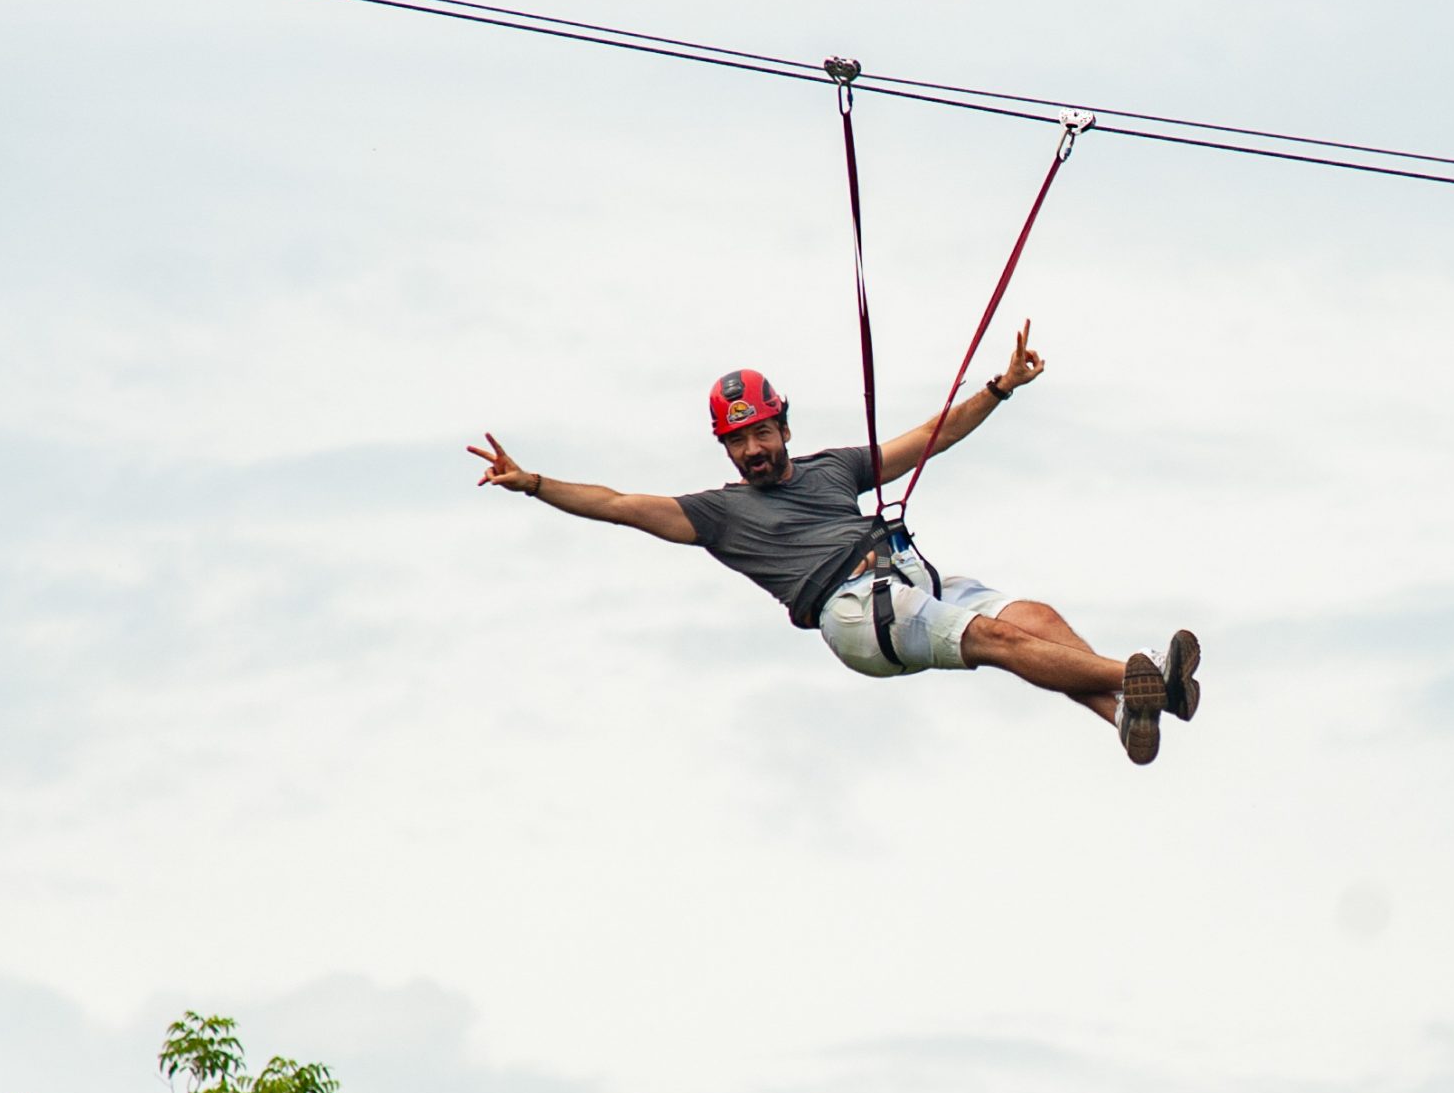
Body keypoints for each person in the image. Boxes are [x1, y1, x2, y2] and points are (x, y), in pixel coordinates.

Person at [467, 321, 1199, 765]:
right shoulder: (717, 516)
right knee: (996, 641)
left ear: (785, 427)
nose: (752, 449)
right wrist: (535, 483)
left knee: (1029, 618)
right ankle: (1144, 678)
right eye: (737, 440)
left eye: (761, 431)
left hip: (907, 579)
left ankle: (1124, 713)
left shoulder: (832, 469)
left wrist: (998, 390)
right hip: (855, 613)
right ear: (725, 448)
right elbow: (620, 505)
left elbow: (928, 438)